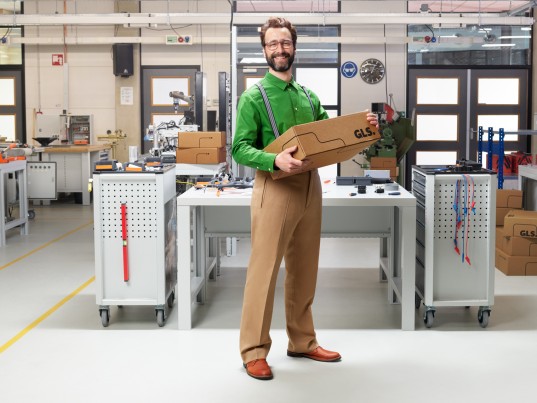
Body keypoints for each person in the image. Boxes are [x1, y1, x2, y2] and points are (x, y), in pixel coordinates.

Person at [232, 16, 379, 380]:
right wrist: (272, 159)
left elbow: (333, 137)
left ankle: (302, 340)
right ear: (264, 50)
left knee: (305, 268)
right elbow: (238, 148)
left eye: (284, 43)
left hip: (311, 186)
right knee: (264, 271)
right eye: (272, 44)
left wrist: (366, 130)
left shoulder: (308, 96)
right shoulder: (254, 96)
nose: (279, 49)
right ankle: (253, 350)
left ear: (293, 46)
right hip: (275, 186)